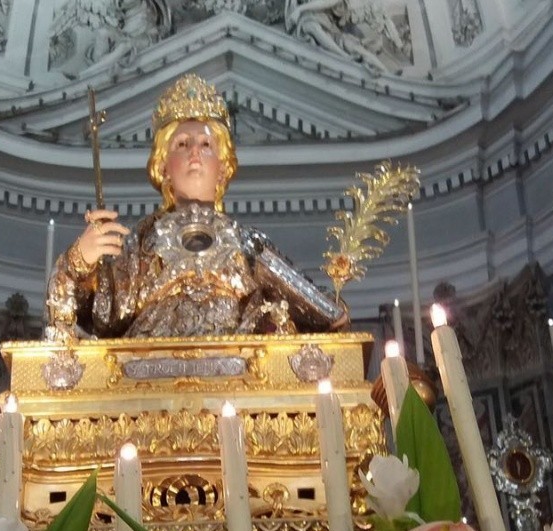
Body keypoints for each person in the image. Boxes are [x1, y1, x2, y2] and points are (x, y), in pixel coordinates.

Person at [45, 74, 347, 340]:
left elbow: (319, 314)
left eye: (206, 145)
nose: (194, 153)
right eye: (182, 144)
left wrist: (331, 309)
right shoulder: (140, 246)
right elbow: (84, 320)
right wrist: (80, 260)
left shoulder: (249, 247)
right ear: (163, 167)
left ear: (223, 168)